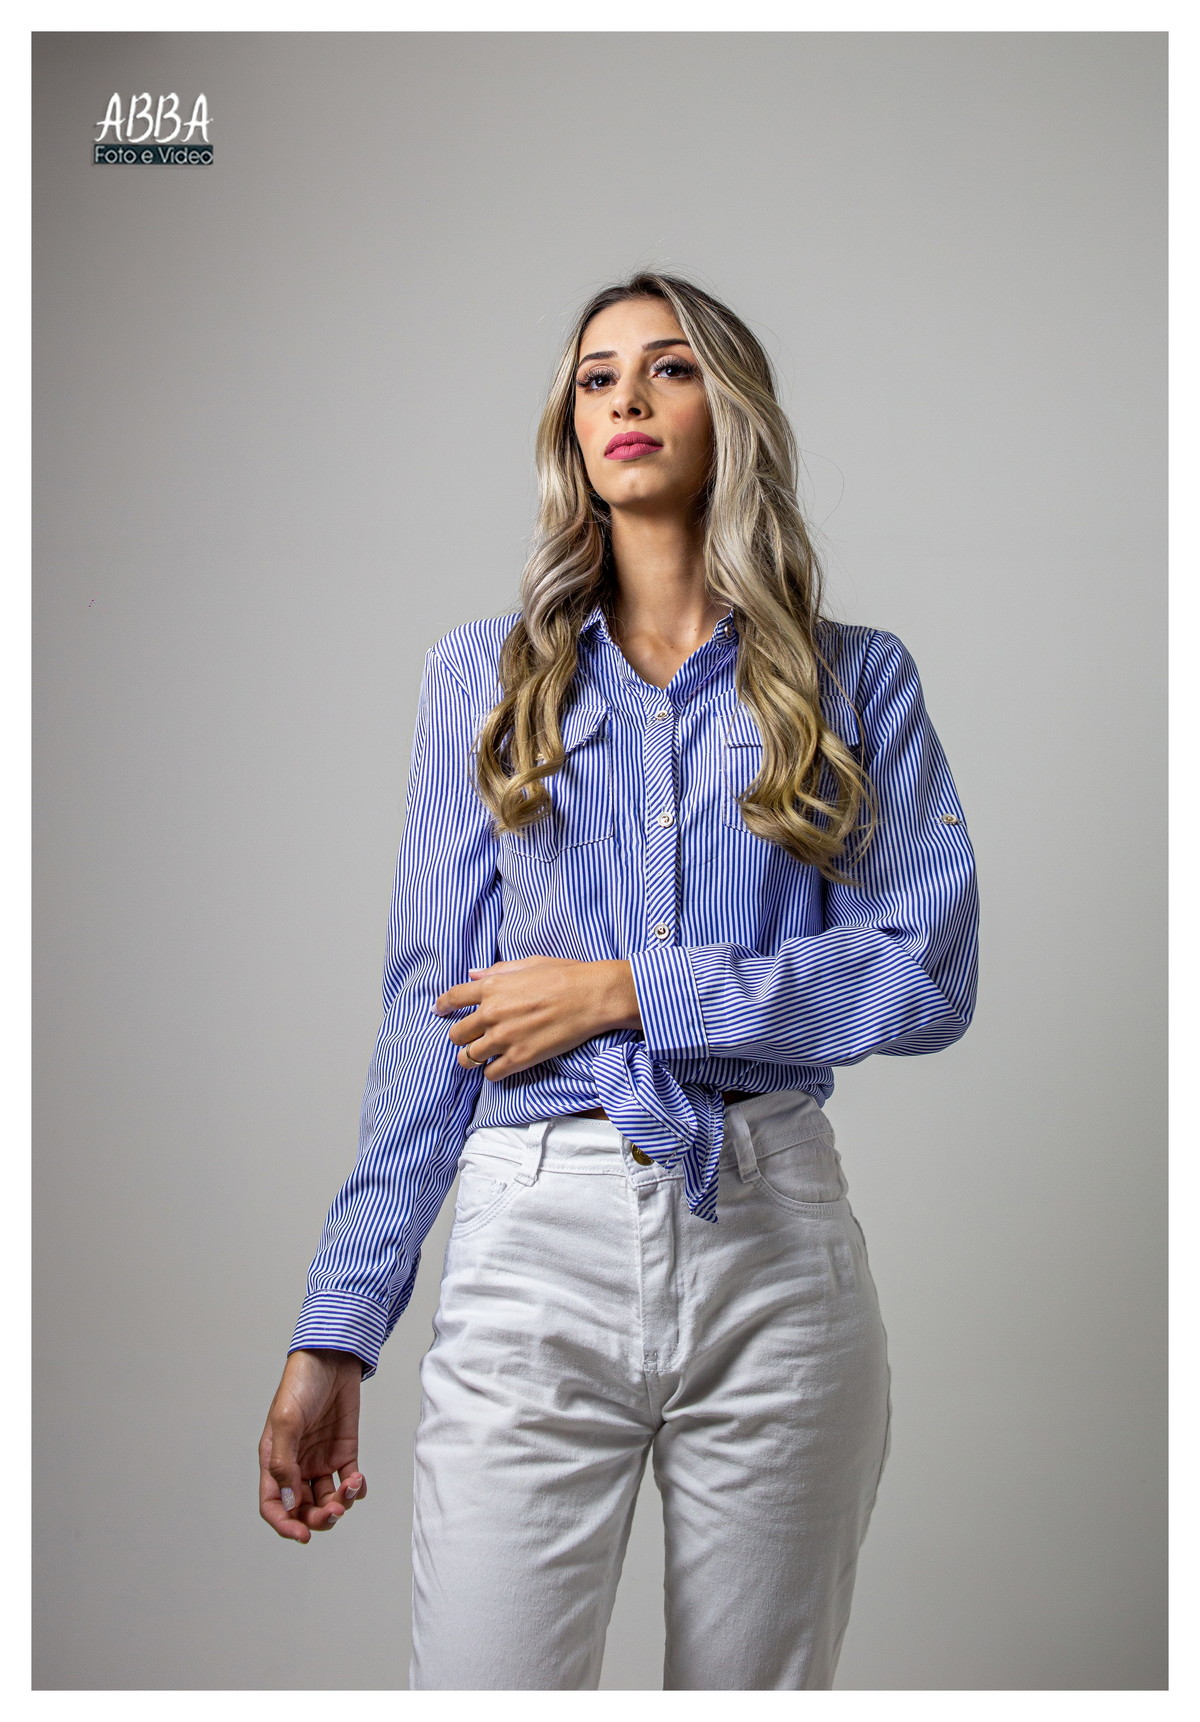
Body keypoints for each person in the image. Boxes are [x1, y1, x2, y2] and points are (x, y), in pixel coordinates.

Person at [257, 272, 979, 1691]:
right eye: (597, 377)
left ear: (733, 409)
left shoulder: (855, 683)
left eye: (670, 367)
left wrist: (627, 991)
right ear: (571, 426)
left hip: (776, 1244)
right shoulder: (482, 681)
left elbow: (931, 968)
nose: (628, 399)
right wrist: (337, 1327)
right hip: (535, 1242)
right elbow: (428, 1020)